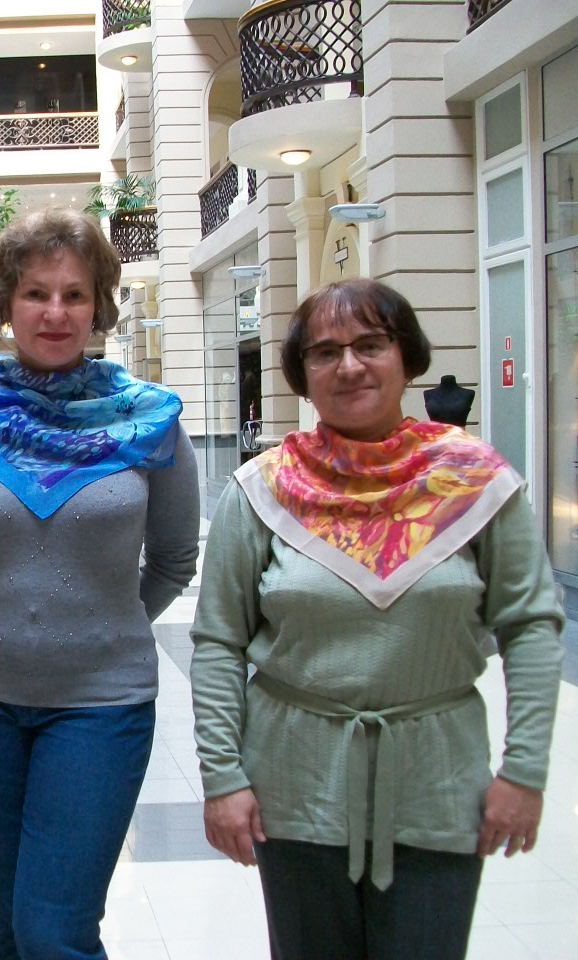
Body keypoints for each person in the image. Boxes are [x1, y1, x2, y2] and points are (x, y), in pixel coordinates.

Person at [190, 277, 563, 960]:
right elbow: (218, 642)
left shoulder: (475, 483)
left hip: (436, 780)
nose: (349, 366)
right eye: (325, 351)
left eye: (370, 344)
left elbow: (531, 625)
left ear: (406, 356)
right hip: (294, 783)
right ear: (303, 374)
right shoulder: (264, 490)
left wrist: (524, 771)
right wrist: (223, 778)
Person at [0, 207, 200, 960]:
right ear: (5, 304)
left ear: (98, 305)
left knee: (55, 931)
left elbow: (174, 559)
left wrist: (106, 625)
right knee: (10, 925)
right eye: (36, 293)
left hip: (101, 702)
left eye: (75, 294)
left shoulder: (150, 422)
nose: (55, 312)